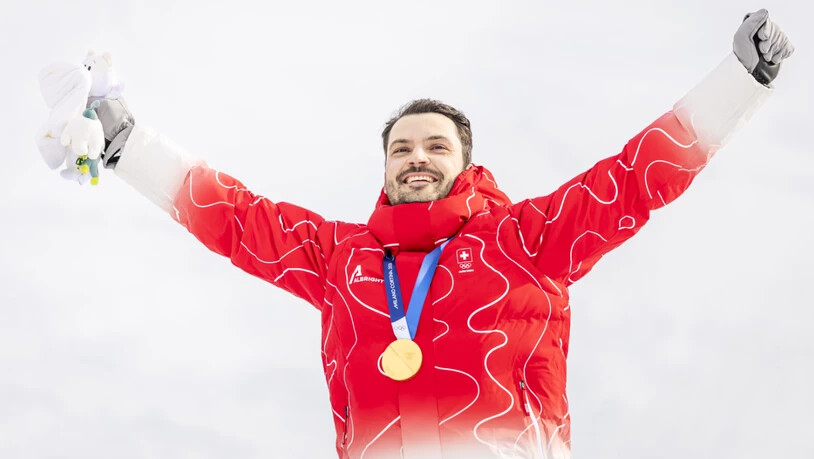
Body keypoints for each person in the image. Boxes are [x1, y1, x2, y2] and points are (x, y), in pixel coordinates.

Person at [37, 8, 795, 459]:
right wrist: (127, 143)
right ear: (385, 167)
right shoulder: (341, 260)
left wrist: (738, 83)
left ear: (465, 163)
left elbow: (633, 179)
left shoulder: (525, 240)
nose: (418, 158)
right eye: (402, 148)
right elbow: (236, 218)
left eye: (436, 145)